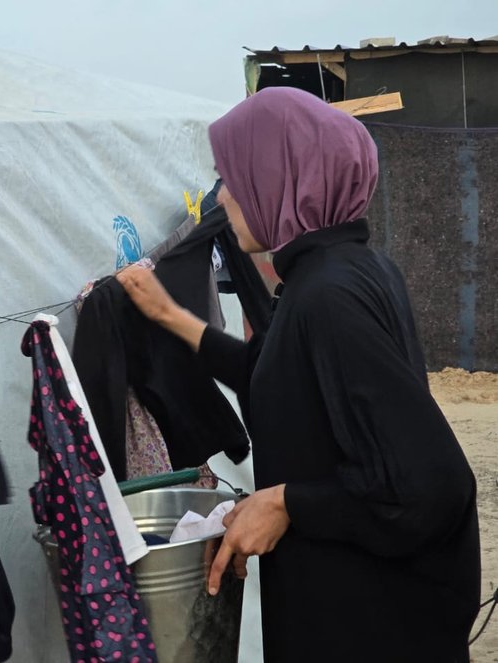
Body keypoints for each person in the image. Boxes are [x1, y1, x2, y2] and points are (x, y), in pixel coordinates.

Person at [116, 87, 480, 662]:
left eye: (234, 176)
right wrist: (167, 315)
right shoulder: (349, 271)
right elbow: (274, 374)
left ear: (279, 179)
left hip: (369, 623)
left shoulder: (329, 298)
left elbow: (430, 486)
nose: (224, 196)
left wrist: (287, 502)